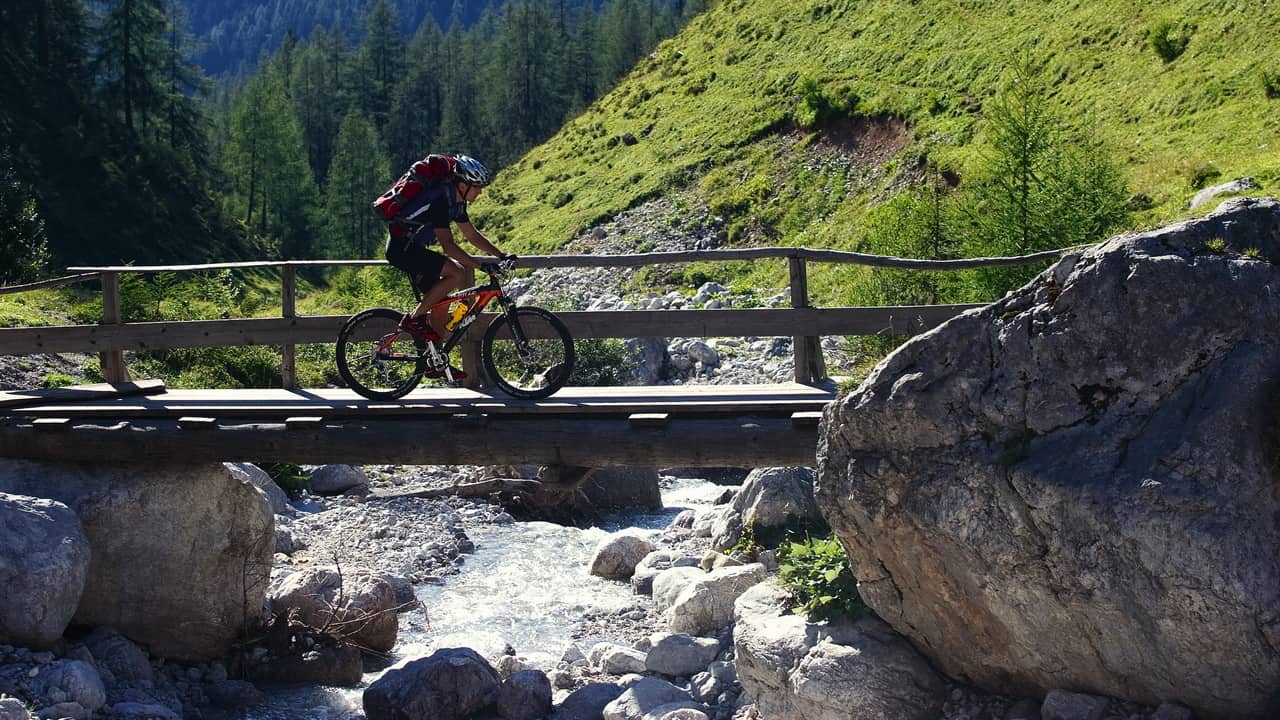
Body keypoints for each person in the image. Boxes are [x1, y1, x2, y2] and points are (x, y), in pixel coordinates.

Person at [383, 154, 512, 380]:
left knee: (441, 305)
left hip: (413, 248)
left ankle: (435, 362)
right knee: (457, 273)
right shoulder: (441, 200)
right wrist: (481, 266)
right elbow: (449, 247)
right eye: (477, 187)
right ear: (462, 185)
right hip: (403, 249)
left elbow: (471, 235)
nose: (480, 192)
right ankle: (413, 319)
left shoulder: (456, 202)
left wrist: (500, 255)